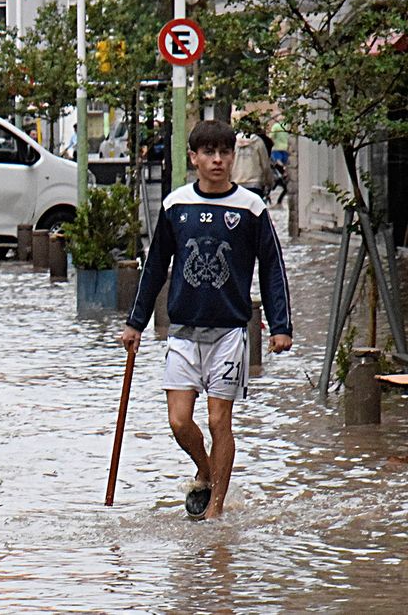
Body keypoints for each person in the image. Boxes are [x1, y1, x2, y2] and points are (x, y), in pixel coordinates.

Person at [120, 119, 293, 520]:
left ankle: (214, 512)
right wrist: (136, 322)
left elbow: (272, 267)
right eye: (209, 153)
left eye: (225, 153)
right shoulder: (175, 205)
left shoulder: (251, 208)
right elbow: (155, 267)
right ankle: (204, 467)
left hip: (231, 332)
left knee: (219, 420)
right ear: (194, 158)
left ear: (233, 157)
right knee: (180, 422)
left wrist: (280, 326)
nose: (218, 160)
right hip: (182, 331)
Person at [233, 129, 273, 200]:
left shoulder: (234, 142)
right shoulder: (258, 142)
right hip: (254, 184)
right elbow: (265, 164)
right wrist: (269, 182)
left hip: (236, 183)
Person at [268, 119, 290, 205]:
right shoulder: (287, 126)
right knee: (283, 170)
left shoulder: (276, 127)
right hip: (285, 149)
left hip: (276, 149)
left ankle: (276, 183)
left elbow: (270, 138)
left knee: (278, 167)